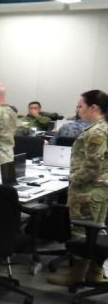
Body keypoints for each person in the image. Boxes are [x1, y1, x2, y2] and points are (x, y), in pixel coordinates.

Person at [48, 90, 108, 286]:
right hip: (100, 190)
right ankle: (94, 274)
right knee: (96, 232)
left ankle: (76, 276)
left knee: (82, 233)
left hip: (88, 190)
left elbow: (93, 164)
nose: (78, 110)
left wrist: (73, 178)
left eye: (80, 106)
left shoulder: (97, 132)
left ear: (94, 107)